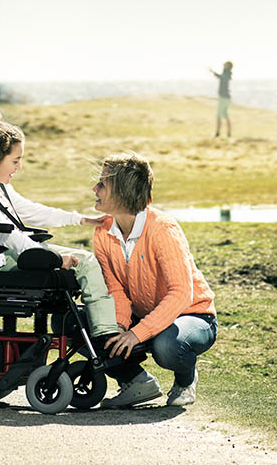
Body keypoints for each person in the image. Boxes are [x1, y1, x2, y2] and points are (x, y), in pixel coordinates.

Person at [0, 109, 117, 339]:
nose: (19, 167)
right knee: (87, 262)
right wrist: (54, 259)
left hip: (6, 253)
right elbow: (7, 236)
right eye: (15, 161)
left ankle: (102, 328)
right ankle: (105, 335)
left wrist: (79, 219)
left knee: (87, 260)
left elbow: (30, 210)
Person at [92, 153, 217, 407]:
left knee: (168, 346)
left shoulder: (163, 228)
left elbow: (181, 293)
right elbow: (116, 289)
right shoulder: (102, 231)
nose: (94, 188)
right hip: (144, 316)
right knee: (87, 324)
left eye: (102, 184)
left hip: (193, 315)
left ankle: (185, 379)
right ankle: (136, 382)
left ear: (122, 192)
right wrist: (118, 326)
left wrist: (137, 334)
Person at [210, 61, 233, 137]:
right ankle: (228, 133)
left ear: (228, 66)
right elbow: (220, 77)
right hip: (226, 97)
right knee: (226, 115)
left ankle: (217, 133)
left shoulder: (226, 74)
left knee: (219, 115)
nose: (223, 65)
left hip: (223, 97)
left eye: (225, 65)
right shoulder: (227, 74)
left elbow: (221, 77)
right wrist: (213, 72)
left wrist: (213, 72)